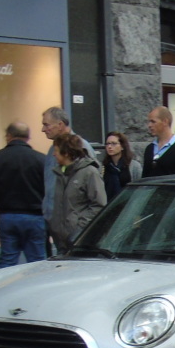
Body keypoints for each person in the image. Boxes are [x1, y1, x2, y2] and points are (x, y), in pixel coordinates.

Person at [0, 121, 46, 268]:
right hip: (35, 218)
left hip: (7, 217)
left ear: (8, 136)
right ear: (27, 137)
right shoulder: (41, 159)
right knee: (37, 263)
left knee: (7, 261)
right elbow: (51, 187)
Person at [40, 107, 95, 253]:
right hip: (55, 223)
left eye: (46, 125)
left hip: (72, 227)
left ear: (60, 124)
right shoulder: (53, 150)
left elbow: (93, 192)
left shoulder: (81, 147)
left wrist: (80, 223)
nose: (43, 129)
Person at [50, 133, 106, 254]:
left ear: (66, 153)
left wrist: (80, 228)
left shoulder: (89, 172)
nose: (54, 154)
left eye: (56, 151)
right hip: (61, 241)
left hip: (80, 241)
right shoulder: (60, 174)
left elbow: (99, 204)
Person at [143, 106, 175, 177]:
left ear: (165, 121)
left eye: (153, 121)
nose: (149, 125)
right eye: (149, 122)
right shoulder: (149, 149)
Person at [100, 131, 140, 201]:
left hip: (127, 205)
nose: (109, 147)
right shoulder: (103, 167)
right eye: (107, 144)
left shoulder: (133, 166)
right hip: (108, 205)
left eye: (114, 144)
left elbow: (139, 189)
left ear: (122, 146)